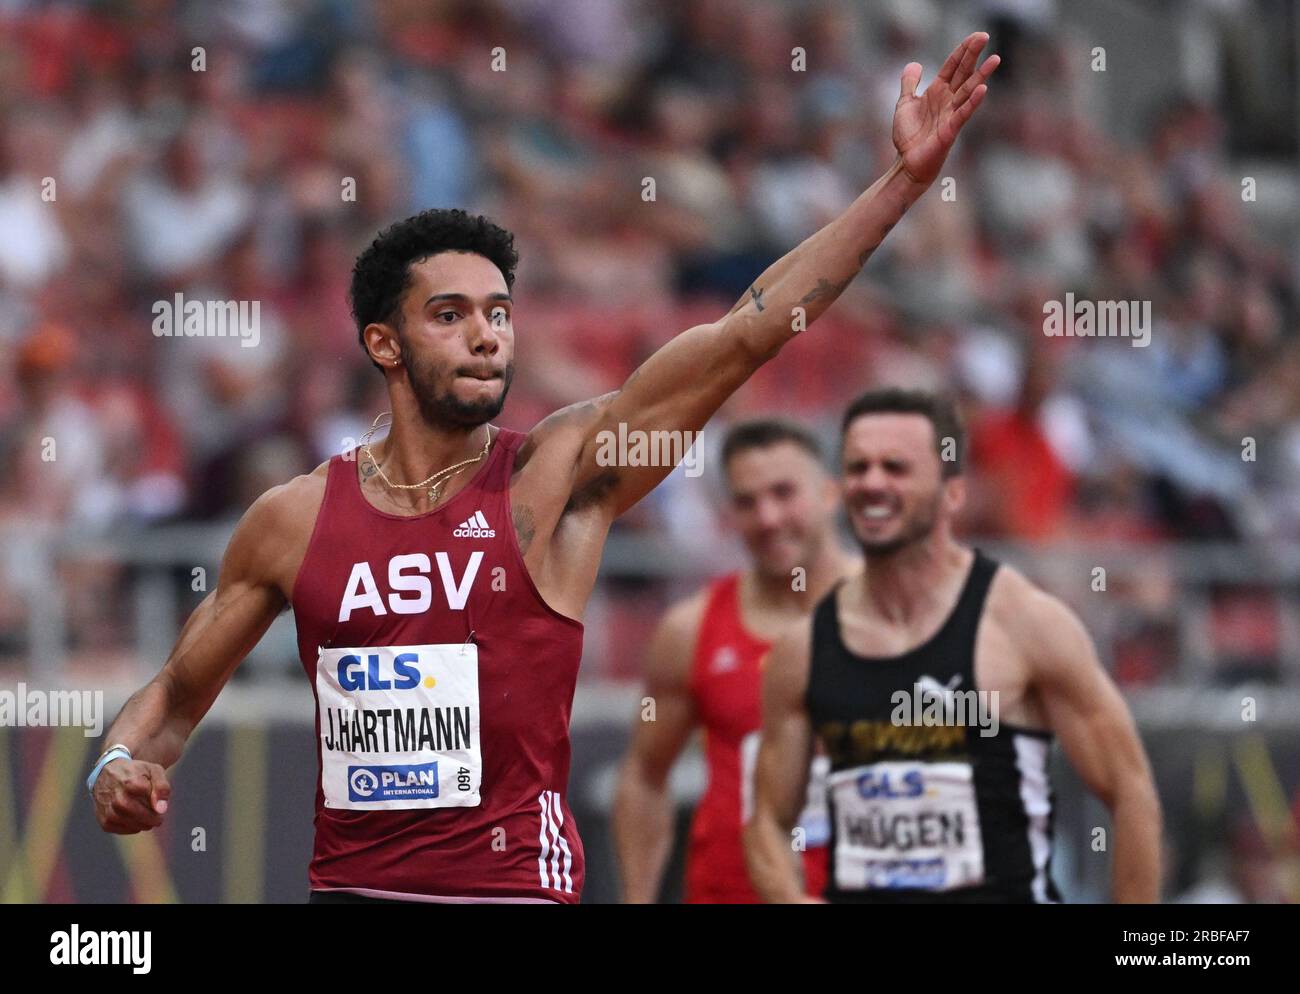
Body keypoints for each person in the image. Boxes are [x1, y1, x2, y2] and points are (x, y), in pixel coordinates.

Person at [88, 36, 1001, 903]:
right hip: (352, 892)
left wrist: (899, 186)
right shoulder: (293, 518)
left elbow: (745, 335)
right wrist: (117, 768)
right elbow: (172, 696)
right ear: (384, 343)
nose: (487, 333)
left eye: (499, 311)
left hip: (513, 888)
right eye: (449, 314)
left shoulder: (556, 477)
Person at [744, 388, 1163, 903]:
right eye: (858, 468)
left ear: (952, 492)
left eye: (895, 467)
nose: (872, 483)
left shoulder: (1024, 624)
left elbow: (1130, 789)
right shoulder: (804, 651)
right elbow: (767, 819)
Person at [613, 419, 855, 902]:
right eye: (747, 502)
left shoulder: (898, 617)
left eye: (784, 493)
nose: (767, 517)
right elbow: (643, 775)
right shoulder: (692, 629)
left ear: (831, 493)